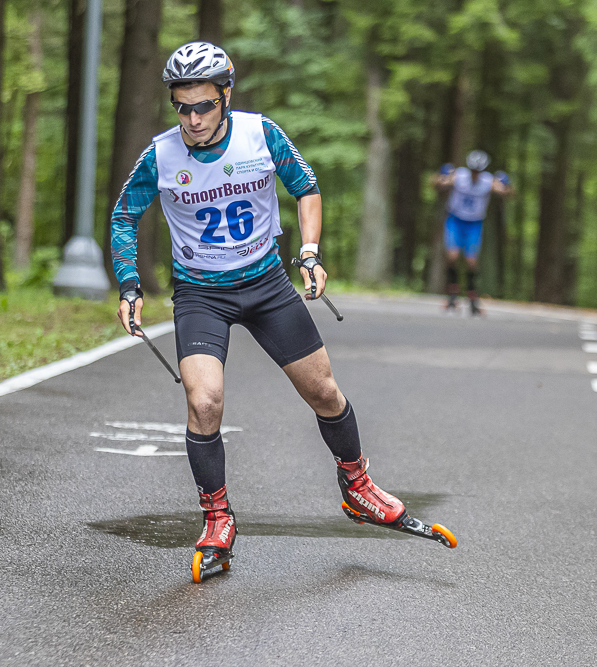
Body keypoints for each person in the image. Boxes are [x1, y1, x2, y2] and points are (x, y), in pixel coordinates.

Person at [110, 41, 409, 579]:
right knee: (204, 401)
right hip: (200, 292)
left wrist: (310, 252)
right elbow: (122, 217)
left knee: (323, 391)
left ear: (226, 96)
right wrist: (130, 287)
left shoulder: (260, 134)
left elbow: (307, 187)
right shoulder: (160, 155)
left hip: (266, 283)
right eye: (182, 107)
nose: (193, 118)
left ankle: (358, 486)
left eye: (203, 105)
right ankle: (217, 517)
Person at [432, 150, 513, 315]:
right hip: (455, 220)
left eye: (478, 171)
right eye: (473, 171)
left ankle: (472, 298)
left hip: (474, 224)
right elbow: (437, 183)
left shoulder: (488, 181)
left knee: (471, 261)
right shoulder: (459, 176)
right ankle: (452, 296)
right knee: (452, 256)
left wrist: (507, 186)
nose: (475, 174)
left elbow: (506, 192)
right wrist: (440, 180)